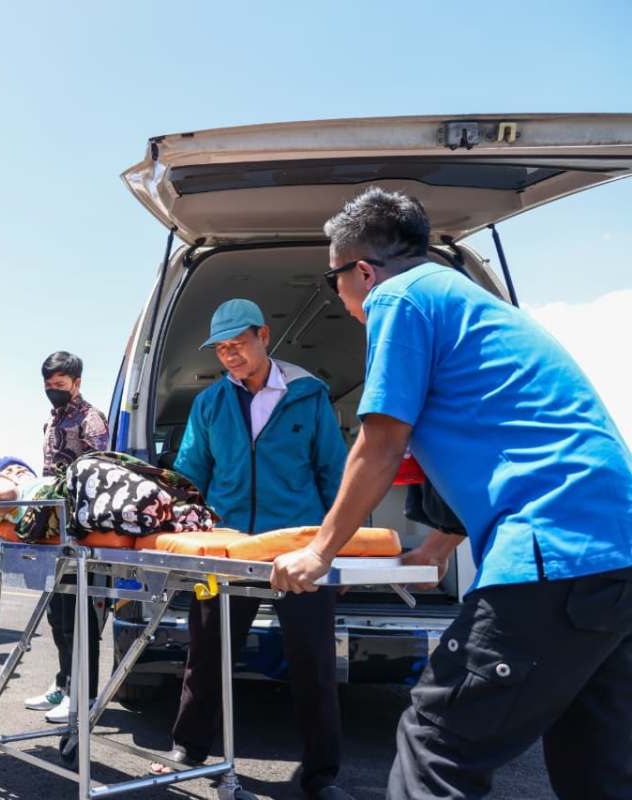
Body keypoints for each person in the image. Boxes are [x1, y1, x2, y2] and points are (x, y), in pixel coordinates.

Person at [271, 187, 632, 800]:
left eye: (333, 279)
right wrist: (440, 544)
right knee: (595, 758)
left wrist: (320, 552)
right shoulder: (467, 302)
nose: (338, 295)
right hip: (614, 552)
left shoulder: (399, 297)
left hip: (552, 550)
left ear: (361, 270)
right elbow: (504, 440)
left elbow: (380, 442)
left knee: (437, 742)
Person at [149, 299, 351, 800]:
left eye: (238, 344)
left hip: (299, 546)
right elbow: (192, 475)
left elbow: (336, 475)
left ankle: (322, 775)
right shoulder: (210, 403)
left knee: (314, 663)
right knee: (206, 652)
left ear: (264, 334)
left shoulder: (309, 396)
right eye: (221, 348)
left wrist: (335, 550)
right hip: (228, 547)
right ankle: (190, 750)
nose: (230, 356)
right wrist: (178, 528)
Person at [24, 351, 109, 724]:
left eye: (59, 384)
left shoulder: (91, 419)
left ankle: (84, 695)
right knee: (57, 615)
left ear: (76, 383)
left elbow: (99, 472)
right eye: (48, 385)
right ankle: (63, 682)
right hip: (52, 532)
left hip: (80, 532)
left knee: (79, 616)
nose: (52, 391)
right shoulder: (52, 419)